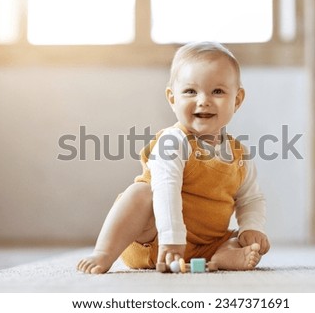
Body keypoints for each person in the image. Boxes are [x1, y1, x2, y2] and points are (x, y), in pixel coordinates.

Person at [77, 41, 270, 274]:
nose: (203, 100)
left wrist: (251, 227)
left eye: (217, 91)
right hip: (154, 238)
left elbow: (251, 199)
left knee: (242, 241)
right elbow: (166, 188)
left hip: (204, 246)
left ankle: (223, 257)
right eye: (190, 91)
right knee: (140, 194)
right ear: (172, 98)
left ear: (237, 100)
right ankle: (104, 252)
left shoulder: (240, 156)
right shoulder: (173, 142)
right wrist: (171, 237)